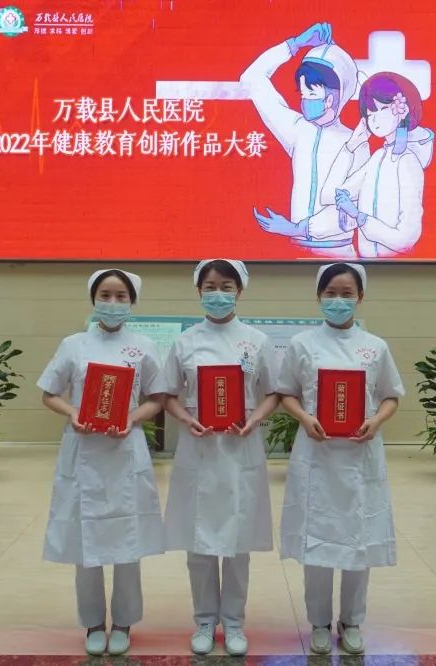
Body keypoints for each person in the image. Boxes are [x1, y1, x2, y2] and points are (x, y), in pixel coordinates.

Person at [275, 262, 404, 655]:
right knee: (316, 540)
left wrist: (376, 420)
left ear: (360, 298)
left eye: (347, 294)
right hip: (317, 452)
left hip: (360, 454)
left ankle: (352, 620)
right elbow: (286, 393)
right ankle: (318, 621)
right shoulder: (302, 344)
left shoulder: (375, 346)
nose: (338, 300)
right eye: (330, 293)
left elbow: (391, 395)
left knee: (357, 541)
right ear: (319, 296)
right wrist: (304, 418)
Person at [37, 269, 167, 657]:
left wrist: (131, 418)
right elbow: (49, 393)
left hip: (125, 451)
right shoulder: (73, 344)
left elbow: (157, 397)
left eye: (121, 296)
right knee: (86, 542)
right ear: (93, 299)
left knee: (127, 541)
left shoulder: (143, 346)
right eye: (105, 295)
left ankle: (124, 621)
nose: (112, 303)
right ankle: (93, 622)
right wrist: (73, 412)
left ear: (132, 302)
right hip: (83, 450)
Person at [163, 259, 281, 656]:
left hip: (240, 448)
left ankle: (233, 622)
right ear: (199, 291)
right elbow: (167, 395)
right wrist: (186, 419)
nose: (218, 293)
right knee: (198, 544)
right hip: (198, 448)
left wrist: (254, 420)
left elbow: (274, 393)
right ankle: (203, 621)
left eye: (226, 286)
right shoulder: (185, 342)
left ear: (239, 291)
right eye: (210, 286)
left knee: (237, 544)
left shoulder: (257, 341)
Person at [242, 22, 368, 257]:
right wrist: (294, 44)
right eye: (302, 93)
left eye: (312, 93)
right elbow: (251, 79)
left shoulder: (356, 142)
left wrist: (297, 228)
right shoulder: (298, 130)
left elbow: (352, 204)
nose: (305, 100)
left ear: (332, 98)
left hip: (339, 254)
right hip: (295, 254)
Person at [326, 72, 432, 256]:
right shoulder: (377, 157)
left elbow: (406, 238)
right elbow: (338, 191)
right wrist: (352, 145)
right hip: (365, 261)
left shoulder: (407, 162)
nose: (374, 119)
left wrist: (360, 217)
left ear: (403, 109)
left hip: (401, 267)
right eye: (369, 113)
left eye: (382, 109)